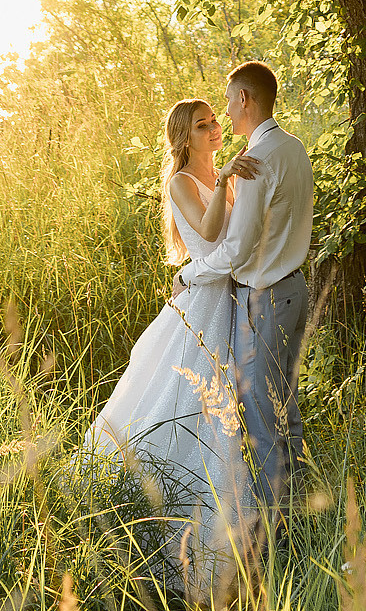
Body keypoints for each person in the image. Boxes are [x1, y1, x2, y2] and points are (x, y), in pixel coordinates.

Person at [84, 98, 258, 599]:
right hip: (203, 303)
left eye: (215, 120)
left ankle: (238, 546)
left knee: (227, 408)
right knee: (188, 402)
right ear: (184, 137)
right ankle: (164, 538)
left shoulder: (226, 176)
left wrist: (230, 180)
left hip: (230, 297)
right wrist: (224, 181)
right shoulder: (182, 181)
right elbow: (209, 233)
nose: (215, 128)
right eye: (203, 125)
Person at [173, 61, 314, 541]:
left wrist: (188, 274)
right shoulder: (293, 148)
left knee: (261, 416)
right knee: (286, 408)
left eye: (228, 102)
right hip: (294, 289)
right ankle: (297, 512)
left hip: (264, 300)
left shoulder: (256, 162)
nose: (225, 114)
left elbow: (235, 251)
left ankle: (278, 533)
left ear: (245, 100)